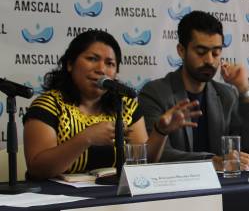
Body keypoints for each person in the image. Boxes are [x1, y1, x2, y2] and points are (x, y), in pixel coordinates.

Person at [23, 30, 199, 180]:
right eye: (92, 59)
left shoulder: (125, 106)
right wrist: (86, 138)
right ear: (70, 64)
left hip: (113, 199)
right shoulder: (49, 105)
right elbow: (38, 169)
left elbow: (142, 165)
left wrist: (160, 132)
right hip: (58, 201)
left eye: (110, 64)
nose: (101, 69)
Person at [139, 11, 249, 170]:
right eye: (201, 52)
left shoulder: (226, 95)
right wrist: (213, 162)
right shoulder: (155, 93)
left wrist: (245, 89)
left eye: (216, 52)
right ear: (181, 50)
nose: (210, 60)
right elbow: (157, 154)